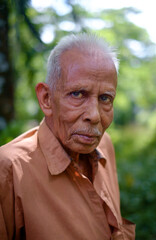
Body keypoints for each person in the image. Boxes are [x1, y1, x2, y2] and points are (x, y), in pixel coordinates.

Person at [0, 33, 135, 240]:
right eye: (78, 94)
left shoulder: (104, 146)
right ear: (46, 99)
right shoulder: (9, 170)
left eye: (105, 98)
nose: (94, 115)